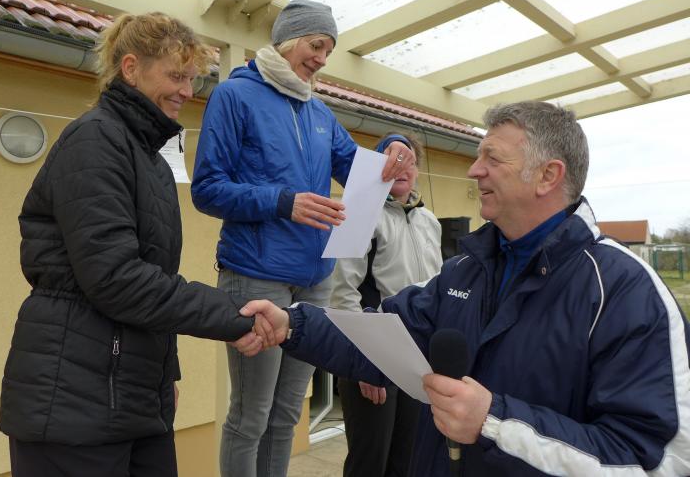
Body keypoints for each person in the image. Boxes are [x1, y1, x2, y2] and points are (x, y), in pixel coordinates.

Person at [235, 101, 690, 477]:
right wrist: (292, 324)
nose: (474, 171)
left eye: (492, 158)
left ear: (548, 176)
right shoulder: (465, 271)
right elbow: (382, 333)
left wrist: (494, 424)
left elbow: (658, 463)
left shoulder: (626, 292)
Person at [0, 12, 267, 477]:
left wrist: (165, 377)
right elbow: (117, 279)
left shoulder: (151, 160)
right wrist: (233, 316)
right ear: (130, 68)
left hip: (132, 395)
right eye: (176, 76)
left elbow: (155, 279)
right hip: (73, 403)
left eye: (192, 79)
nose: (188, 91)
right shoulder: (94, 140)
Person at [191, 0, 415, 477]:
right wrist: (282, 202)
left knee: (286, 415)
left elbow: (357, 169)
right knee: (251, 416)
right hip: (256, 275)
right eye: (316, 45)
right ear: (287, 41)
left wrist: (390, 151)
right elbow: (207, 189)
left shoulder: (319, 112)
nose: (321, 59)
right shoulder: (234, 96)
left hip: (314, 282)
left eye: (328, 50)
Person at [331, 132, 442, 477]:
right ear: (379, 168)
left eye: (410, 161)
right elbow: (341, 293)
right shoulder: (358, 215)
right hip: (374, 354)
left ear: (418, 170)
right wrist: (365, 361)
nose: (403, 168)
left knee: (406, 462)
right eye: (395, 160)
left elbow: (437, 289)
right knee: (369, 463)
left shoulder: (430, 221)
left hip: (417, 357)